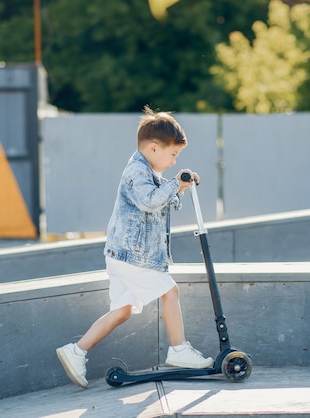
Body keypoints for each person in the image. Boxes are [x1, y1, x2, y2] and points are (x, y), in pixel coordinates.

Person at [56, 105, 214, 388]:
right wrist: (174, 184)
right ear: (154, 149)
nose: (174, 163)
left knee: (123, 310)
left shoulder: (148, 172)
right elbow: (150, 201)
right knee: (170, 291)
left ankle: (76, 351)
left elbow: (159, 200)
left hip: (123, 256)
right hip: (132, 257)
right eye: (173, 155)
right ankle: (179, 350)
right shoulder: (137, 173)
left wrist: (179, 186)